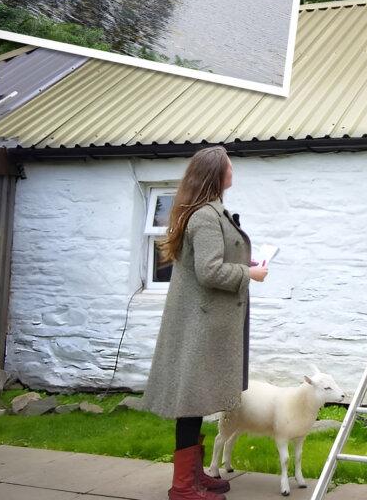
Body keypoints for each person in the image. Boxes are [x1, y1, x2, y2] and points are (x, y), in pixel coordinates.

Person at [143, 146, 268, 500]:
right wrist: (250, 273)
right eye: (229, 165)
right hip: (200, 327)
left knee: (194, 404)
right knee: (191, 405)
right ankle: (183, 487)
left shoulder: (209, 213)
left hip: (205, 325)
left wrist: (246, 260)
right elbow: (209, 271)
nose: (233, 169)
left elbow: (214, 259)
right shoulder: (204, 217)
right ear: (217, 174)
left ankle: (194, 476)